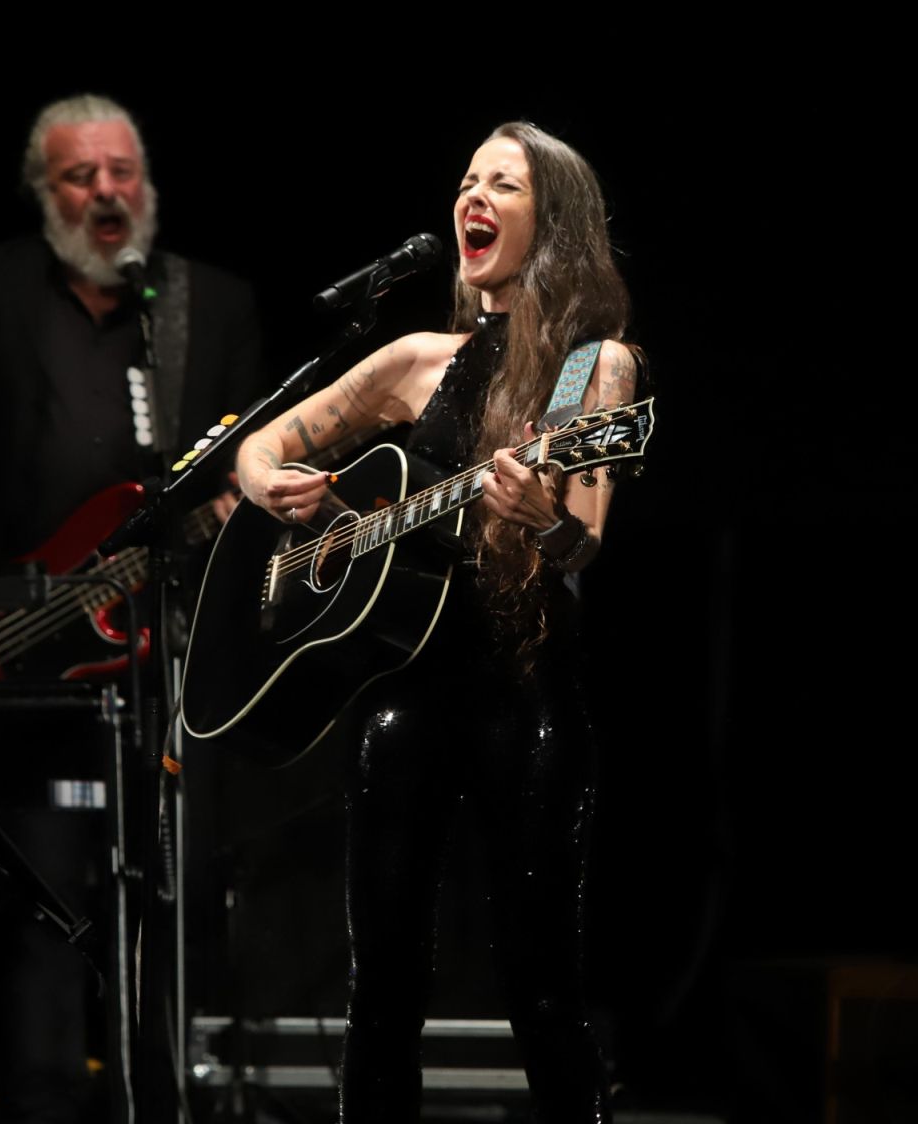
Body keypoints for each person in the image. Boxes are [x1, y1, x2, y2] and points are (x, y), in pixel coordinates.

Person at [234, 121, 641, 1121]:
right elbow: (257, 447)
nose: (475, 195)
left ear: (554, 220)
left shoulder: (598, 371)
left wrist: (540, 518)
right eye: (467, 180)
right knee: (381, 984)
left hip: (525, 683)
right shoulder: (417, 356)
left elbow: (582, 541)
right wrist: (278, 489)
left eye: (503, 183)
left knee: (542, 981)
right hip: (402, 689)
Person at [0, 93, 264, 1122]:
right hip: (26, 653)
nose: (106, 191)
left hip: (168, 658)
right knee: (44, 901)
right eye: (80, 175)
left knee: (172, 902)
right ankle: (46, 1097)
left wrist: (247, 497)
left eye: (122, 172)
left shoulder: (211, 306)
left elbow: (256, 465)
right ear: (43, 191)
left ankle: (165, 1094)